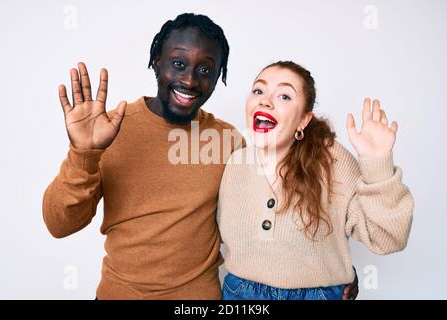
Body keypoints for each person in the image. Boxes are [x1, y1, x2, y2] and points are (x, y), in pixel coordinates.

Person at [43, 13, 358, 299]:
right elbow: (59, 224)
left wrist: (333, 273)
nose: (191, 80)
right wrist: (83, 153)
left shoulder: (228, 142)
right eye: (179, 64)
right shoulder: (109, 131)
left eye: (205, 69)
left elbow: (276, 212)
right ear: (156, 61)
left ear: (218, 77)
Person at [217, 61, 414, 300]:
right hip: (239, 295)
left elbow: (388, 239)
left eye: (284, 96)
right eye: (258, 90)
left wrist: (377, 164)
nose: (265, 100)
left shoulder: (331, 160)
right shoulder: (233, 162)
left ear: (303, 120)